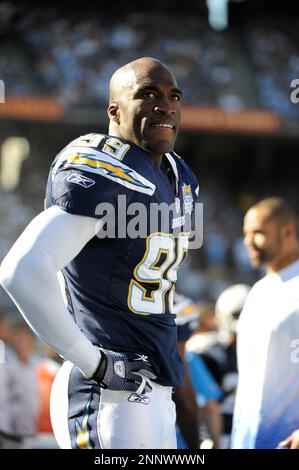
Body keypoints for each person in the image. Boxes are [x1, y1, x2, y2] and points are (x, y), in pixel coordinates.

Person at [0, 57, 199, 449]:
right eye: (148, 94)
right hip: (109, 393)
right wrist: (95, 363)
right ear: (114, 110)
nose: (166, 105)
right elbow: (20, 270)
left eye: (173, 96)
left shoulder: (179, 177)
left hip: (155, 391)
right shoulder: (104, 167)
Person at [231, 197, 299, 449]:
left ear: (288, 232)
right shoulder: (258, 291)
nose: (248, 241)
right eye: (246, 233)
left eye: (258, 233)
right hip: (246, 437)